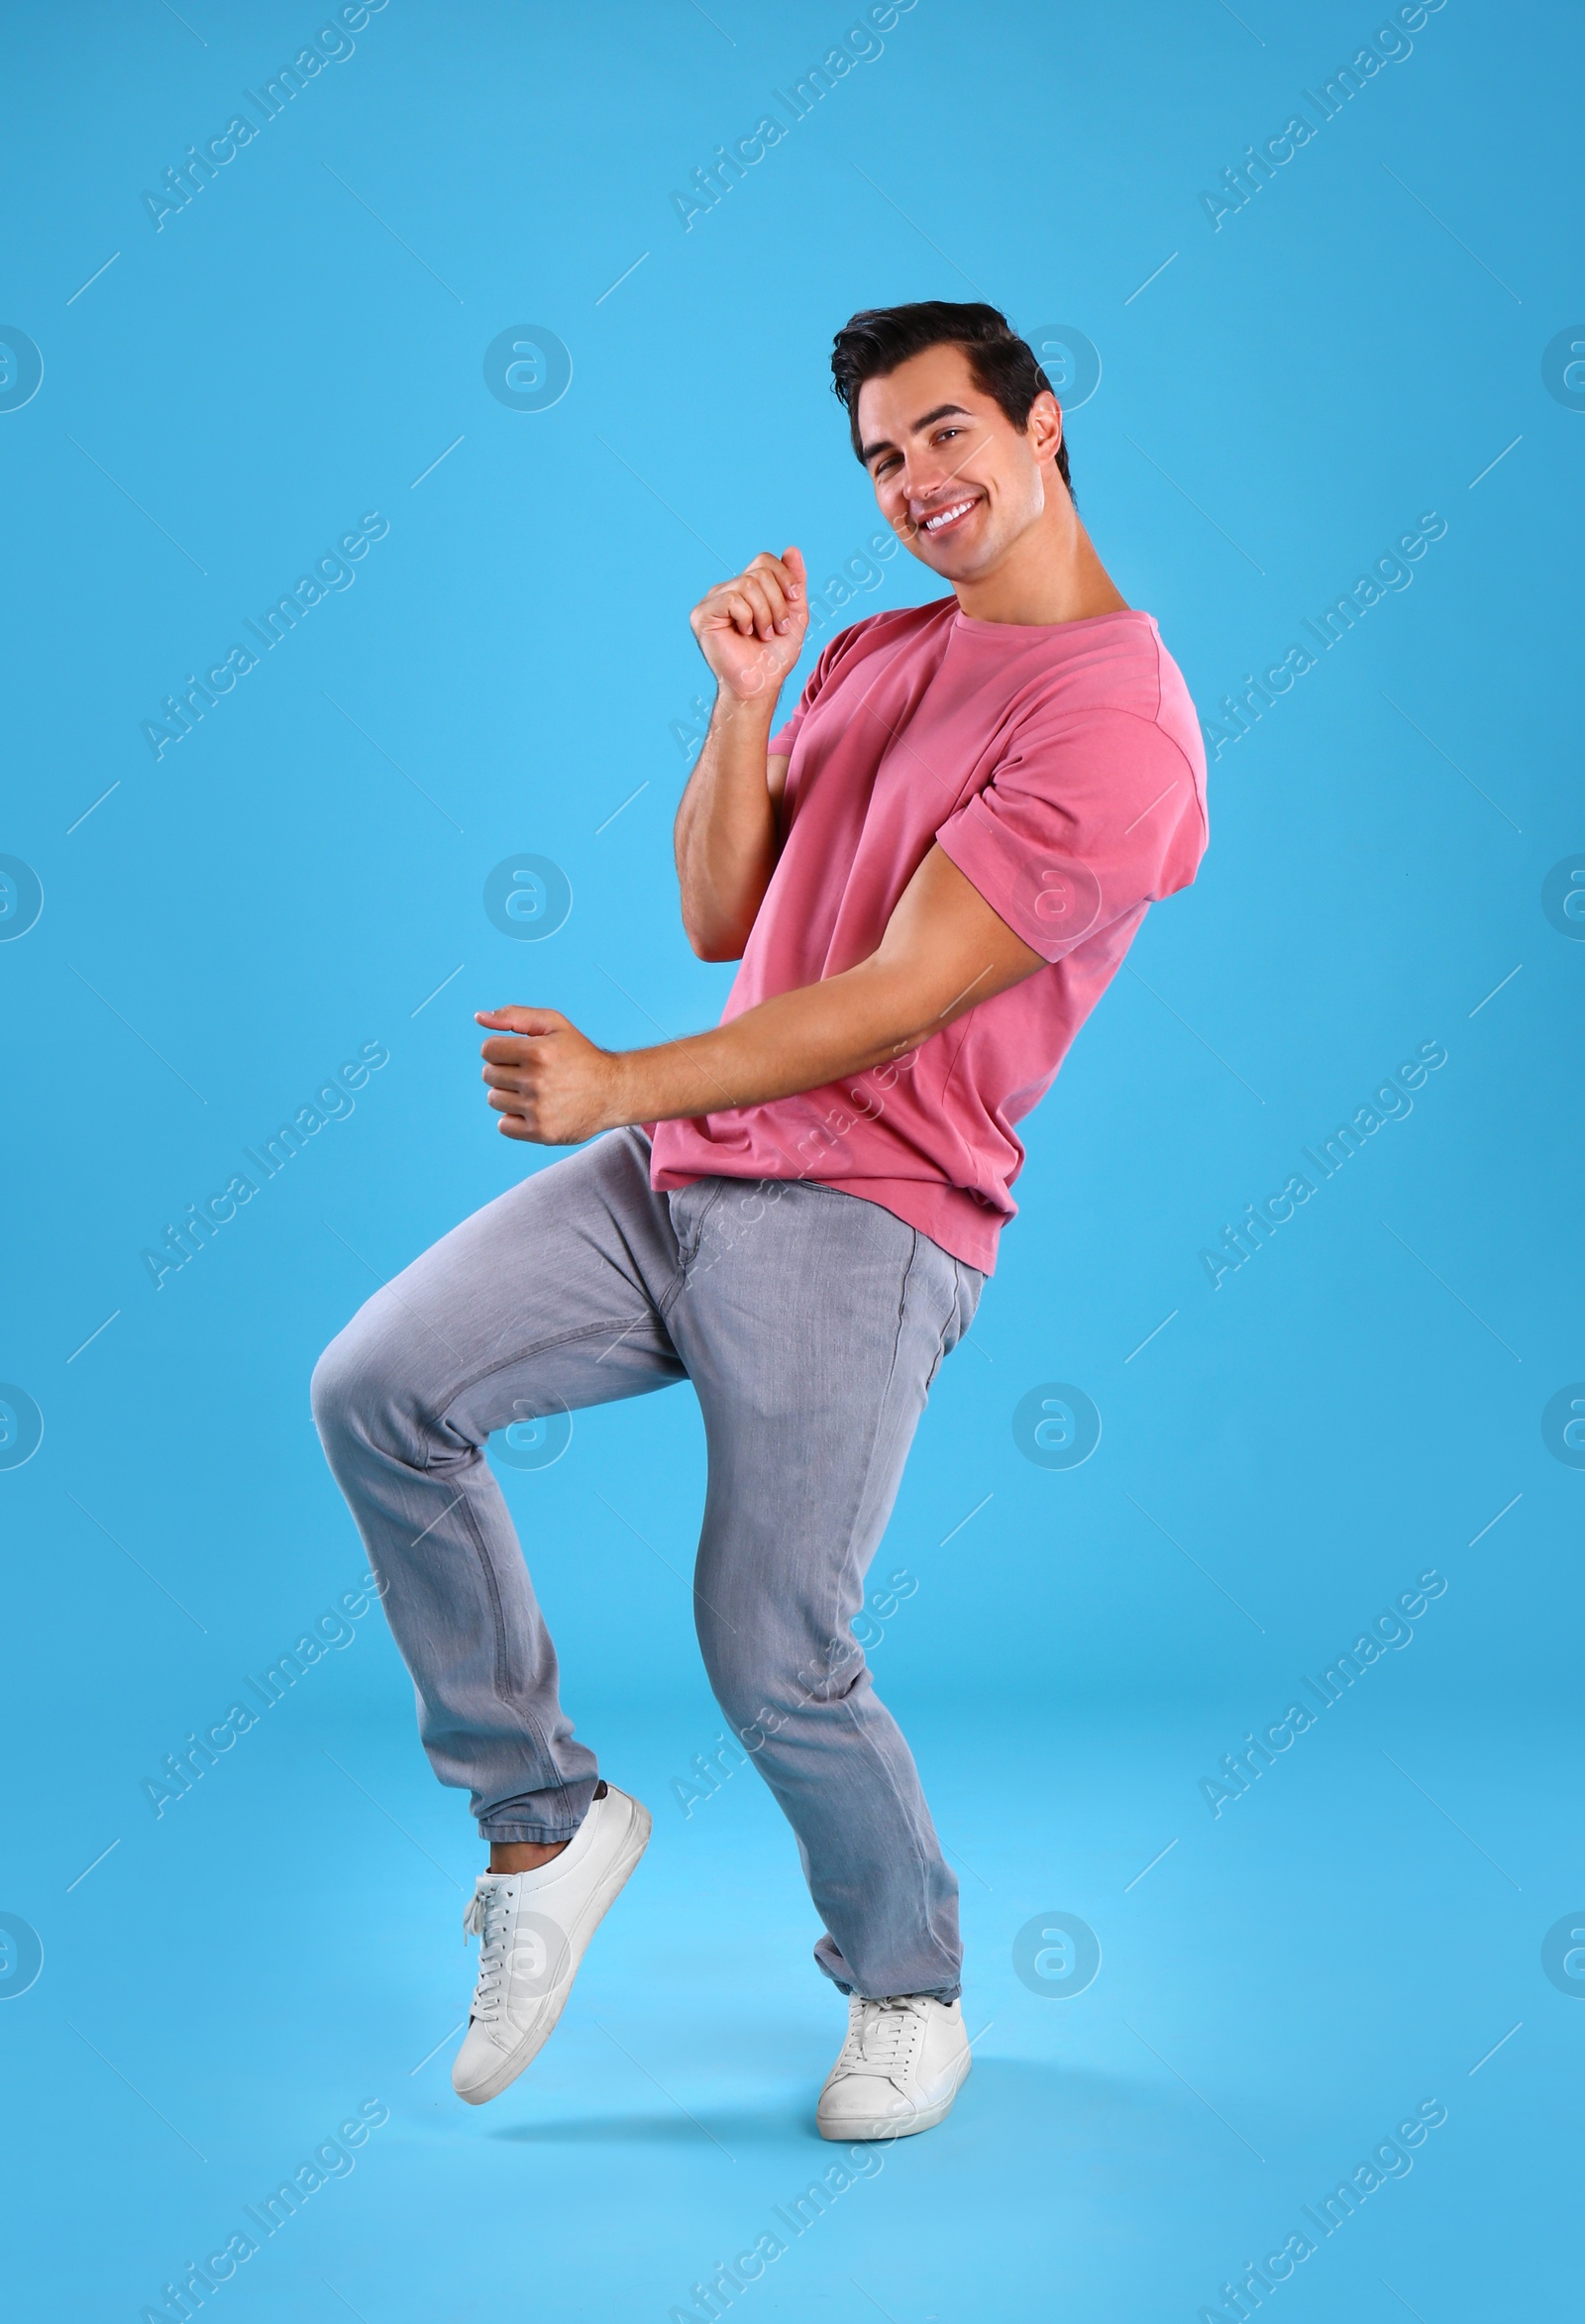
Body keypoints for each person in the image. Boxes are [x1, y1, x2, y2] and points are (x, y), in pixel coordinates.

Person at [311, 298, 1208, 2140]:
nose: (914, 484)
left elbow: (900, 987)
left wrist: (624, 1080)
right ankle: (543, 1825)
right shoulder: (885, 647)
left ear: (1044, 427)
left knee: (769, 1635)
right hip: (690, 1168)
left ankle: (908, 1983)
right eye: (880, 458)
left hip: (868, 1211)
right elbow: (733, 910)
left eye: (945, 435)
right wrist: (742, 704)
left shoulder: (1121, 718)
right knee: (377, 1386)